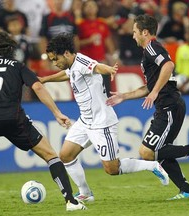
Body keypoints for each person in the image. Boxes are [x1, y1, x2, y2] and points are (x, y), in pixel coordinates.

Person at [0, 31, 87, 215]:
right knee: (51, 155)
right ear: (11, 48)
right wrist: (56, 112)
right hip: (15, 119)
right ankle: (70, 201)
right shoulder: (17, 66)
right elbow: (37, 86)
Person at [39, 33, 169, 203]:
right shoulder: (72, 66)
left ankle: (152, 166)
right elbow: (68, 74)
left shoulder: (82, 61)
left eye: (55, 59)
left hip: (102, 123)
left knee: (112, 169)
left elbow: (97, 66)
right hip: (85, 121)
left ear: (66, 53)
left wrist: (109, 69)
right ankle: (85, 192)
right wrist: (45, 79)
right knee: (65, 155)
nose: (54, 63)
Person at [106, 14, 189, 200]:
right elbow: (148, 87)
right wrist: (125, 96)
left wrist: (155, 93)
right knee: (159, 151)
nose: (133, 35)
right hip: (168, 106)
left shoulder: (152, 47)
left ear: (145, 32)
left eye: (135, 32)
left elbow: (169, 65)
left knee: (147, 152)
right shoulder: (149, 52)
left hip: (169, 106)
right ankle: (186, 190)